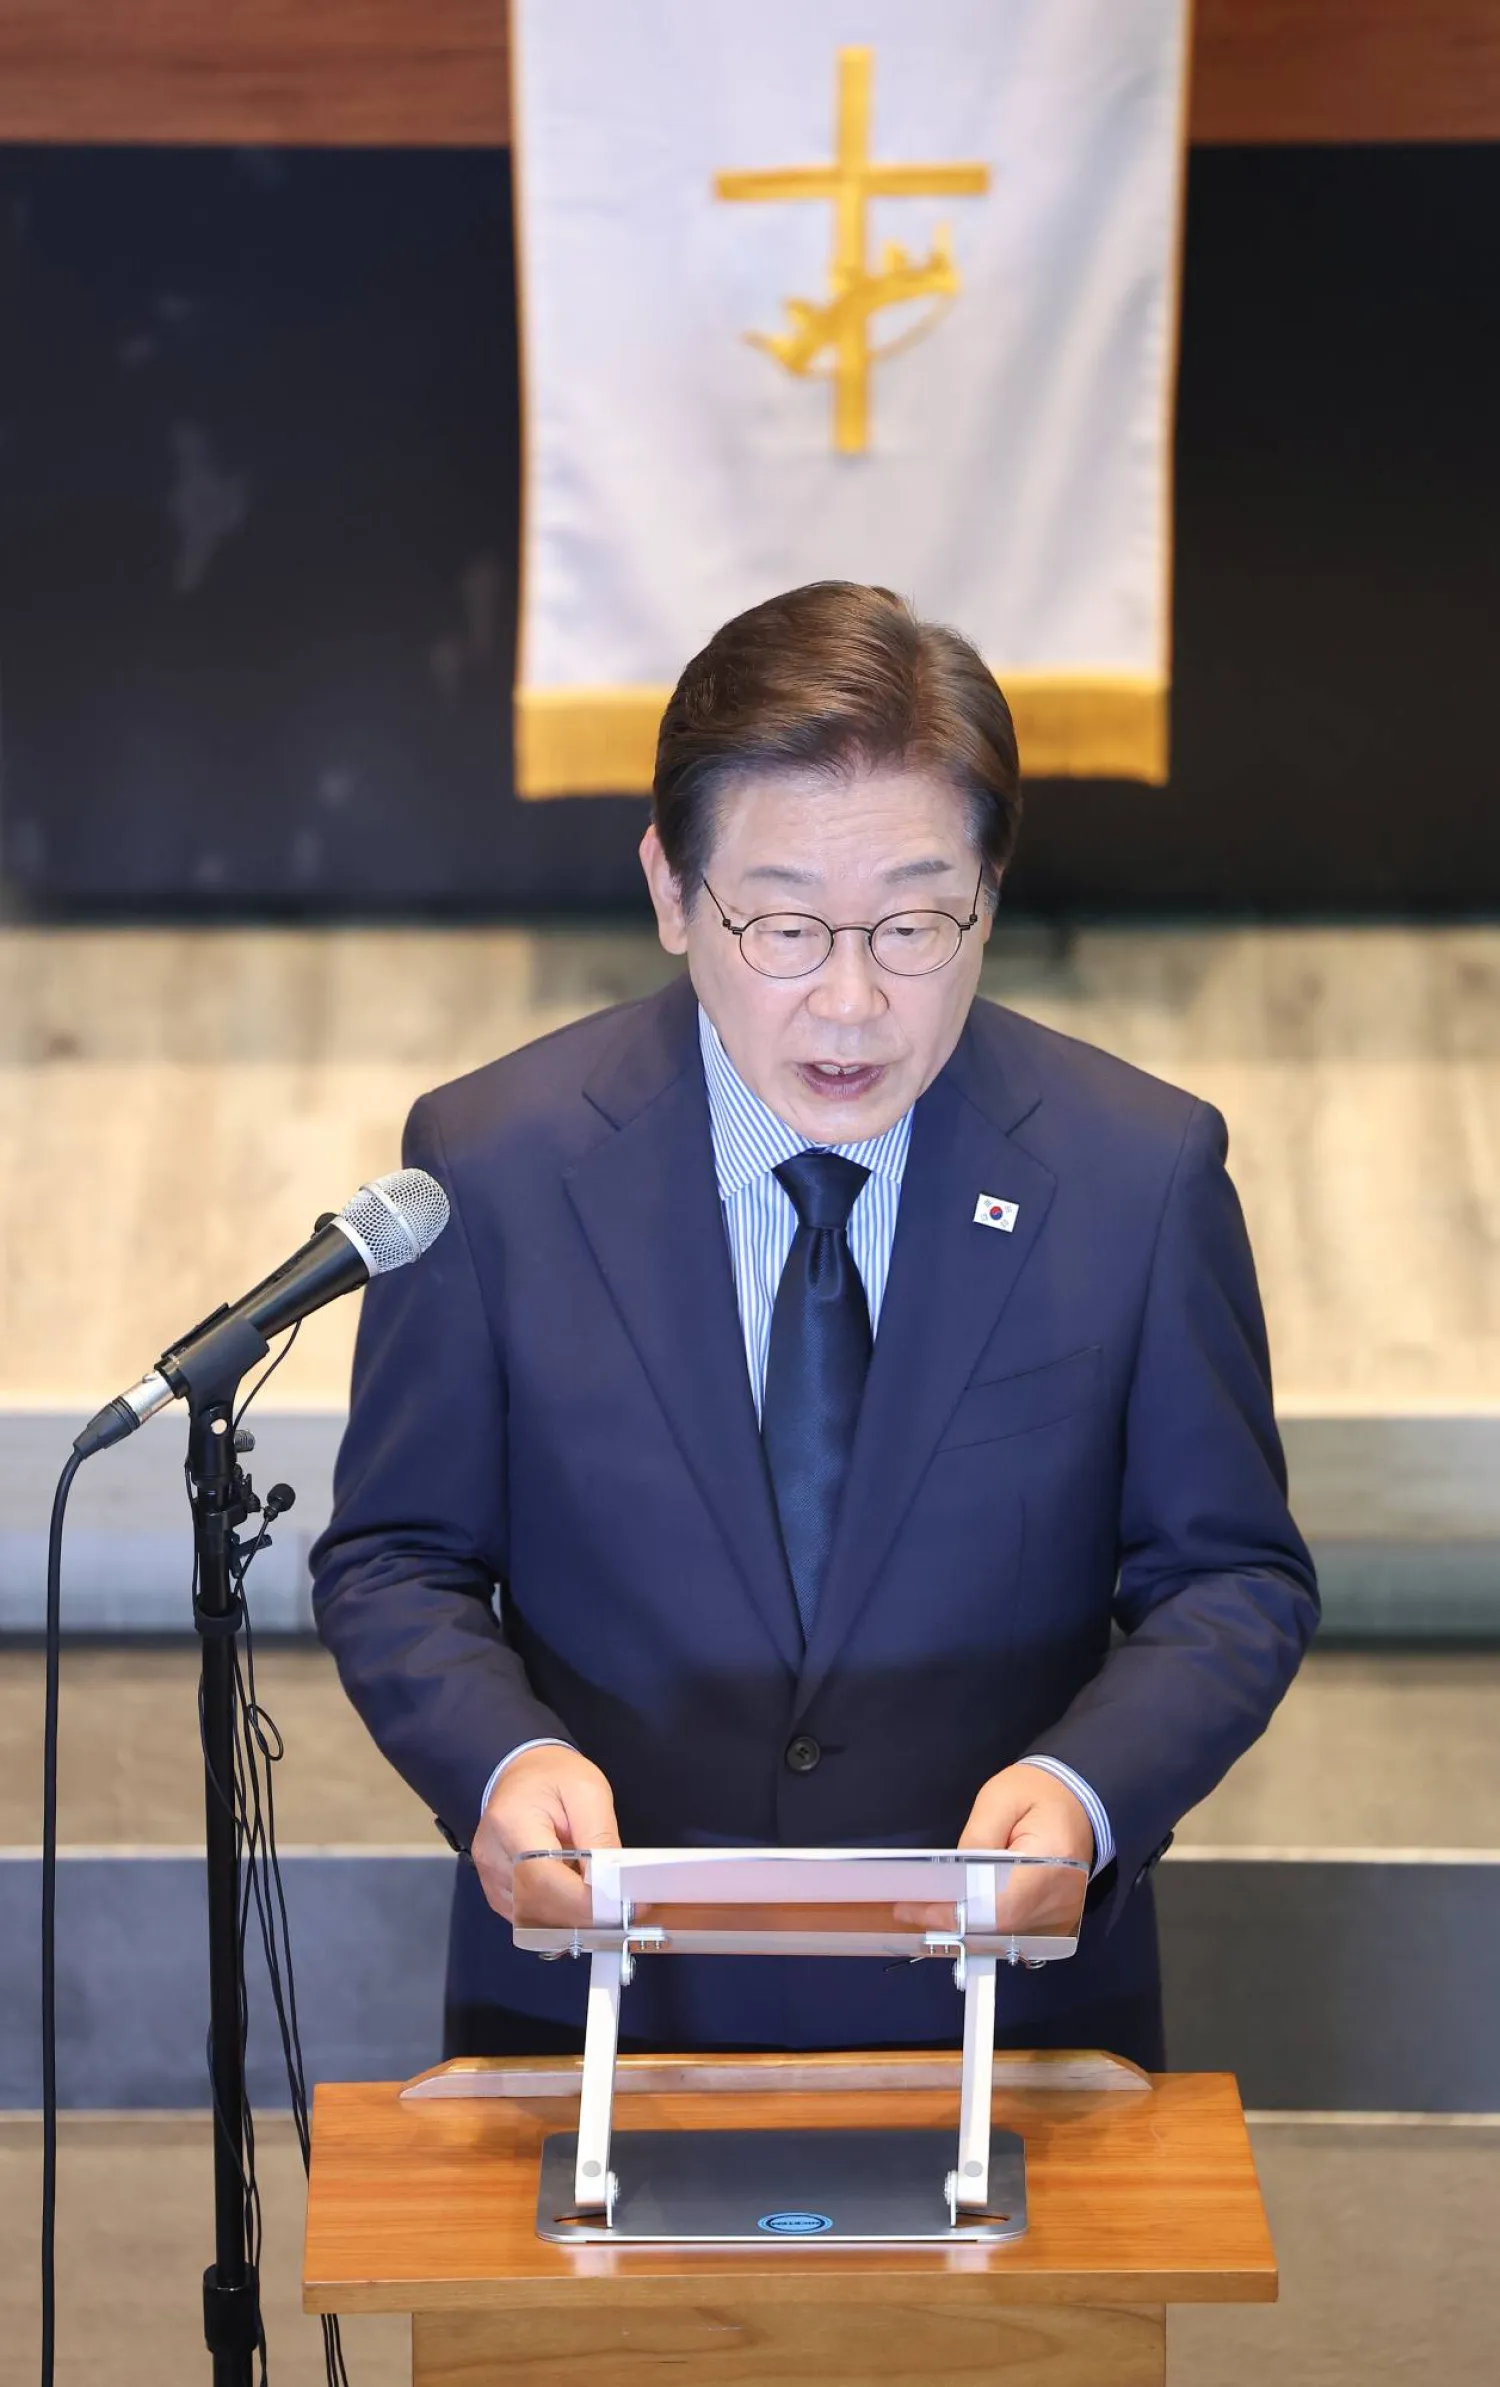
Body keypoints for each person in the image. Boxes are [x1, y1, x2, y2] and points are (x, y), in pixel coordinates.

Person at [311, 580, 1317, 2069]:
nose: (852, 1002)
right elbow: (398, 1555)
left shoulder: (1138, 1173)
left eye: (915, 923)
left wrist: (1090, 1790)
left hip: (1007, 2006)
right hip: (600, 1999)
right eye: (784, 925)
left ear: (990, 894)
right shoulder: (493, 1162)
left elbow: (1232, 1573)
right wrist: (505, 1760)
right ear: (670, 891)